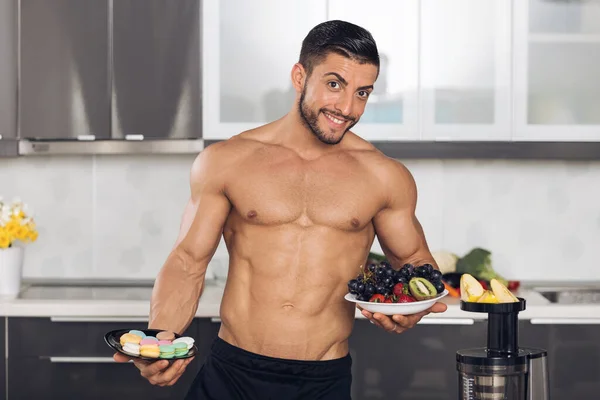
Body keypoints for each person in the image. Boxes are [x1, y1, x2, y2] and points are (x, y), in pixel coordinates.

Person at [114, 19, 447, 399]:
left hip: (323, 379)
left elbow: (418, 265)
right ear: (299, 76)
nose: (347, 107)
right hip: (232, 374)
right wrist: (160, 338)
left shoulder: (384, 176)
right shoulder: (227, 161)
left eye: (363, 93)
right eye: (334, 84)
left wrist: (413, 309)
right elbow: (188, 260)